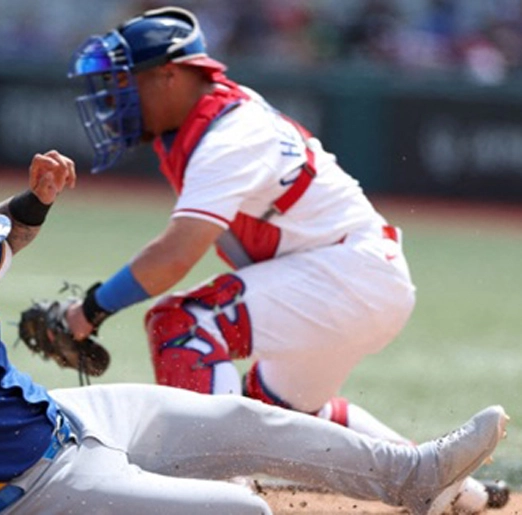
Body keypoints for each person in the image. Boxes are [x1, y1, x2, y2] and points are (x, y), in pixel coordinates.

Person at [0, 151, 508, 515]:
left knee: (249, 421)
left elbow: (8, 238)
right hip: (39, 491)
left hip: (75, 423)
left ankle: (412, 474)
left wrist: (38, 199)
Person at [64, 6, 506, 512]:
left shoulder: (227, 134)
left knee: (182, 324)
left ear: (169, 75)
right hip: (352, 274)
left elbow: (175, 254)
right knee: (275, 412)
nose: (112, 101)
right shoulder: (209, 120)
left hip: (350, 274)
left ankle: (217, 498)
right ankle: (448, 489)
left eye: (125, 84)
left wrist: (91, 308)